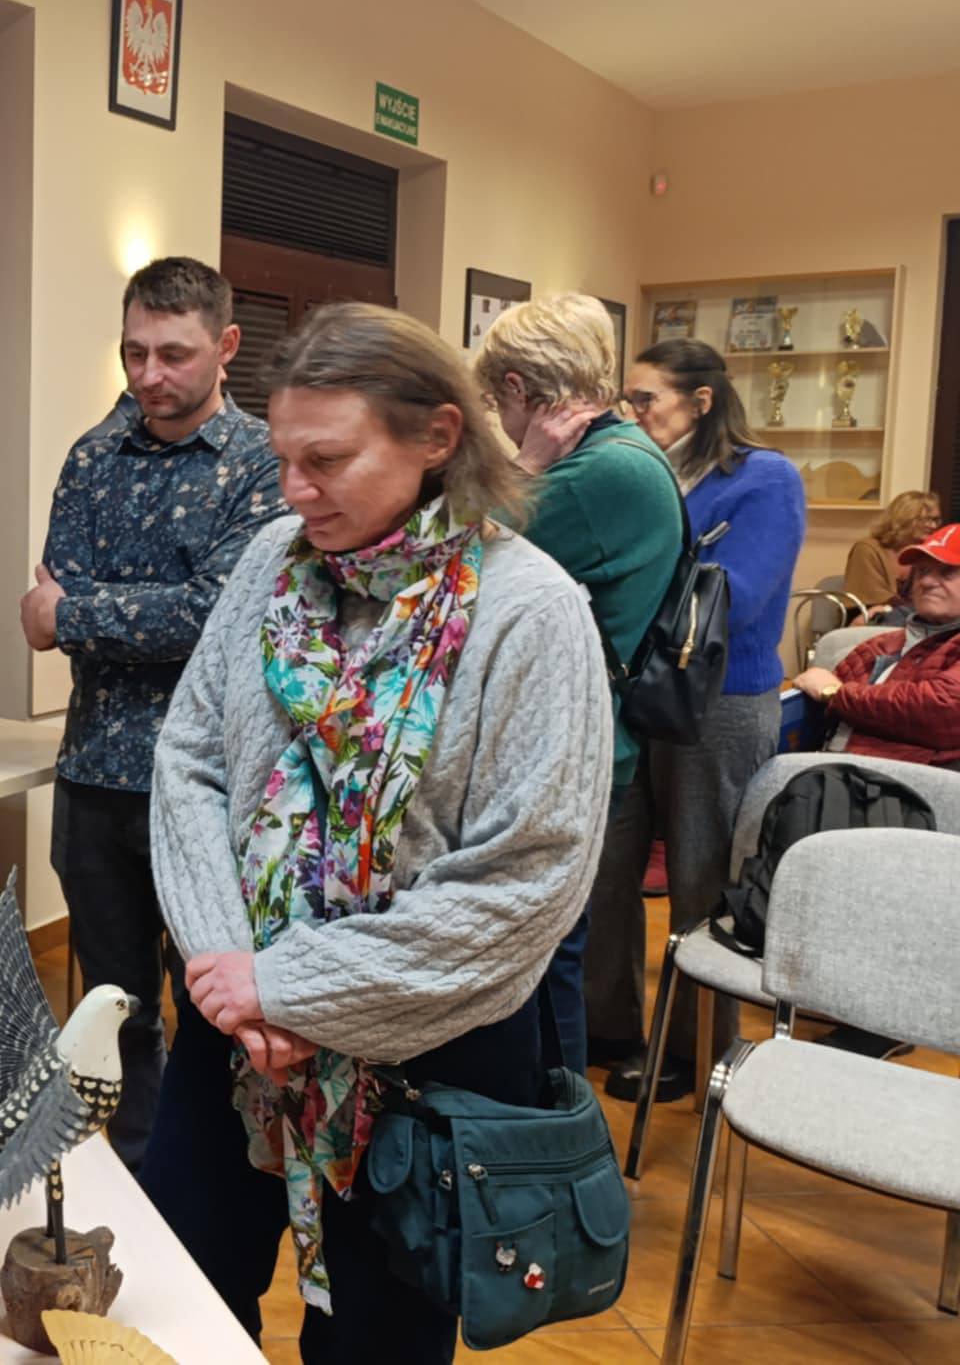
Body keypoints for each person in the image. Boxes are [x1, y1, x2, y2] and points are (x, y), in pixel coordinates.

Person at [140, 303, 611, 1360]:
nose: (293, 490)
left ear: (437, 436)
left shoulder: (532, 611)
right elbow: (190, 761)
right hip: (233, 1029)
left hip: (421, 1063)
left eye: (326, 461)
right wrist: (229, 971)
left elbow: (524, 884)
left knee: (374, 1344)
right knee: (175, 1308)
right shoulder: (270, 563)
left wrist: (291, 987)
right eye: (281, 458)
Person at [22, 255, 283, 1173]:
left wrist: (80, 613)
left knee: (215, 1003)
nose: (148, 375)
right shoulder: (93, 456)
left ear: (226, 346)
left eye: (174, 354)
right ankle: (139, 1172)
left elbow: (218, 613)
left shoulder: (262, 462)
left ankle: (211, 1176)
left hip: (208, 787)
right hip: (95, 773)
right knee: (115, 1004)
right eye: (134, 352)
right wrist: (90, 613)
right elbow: (48, 605)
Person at [589, 339, 805, 1102]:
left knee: (699, 880)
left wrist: (629, 582)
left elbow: (735, 596)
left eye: (646, 398)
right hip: (636, 694)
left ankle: (694, 1048)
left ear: (702, 401)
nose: (633, 411)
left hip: (720, 704)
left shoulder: (764, 477)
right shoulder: (643, 471)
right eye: (629, 398)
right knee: (606, 868)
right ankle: (606, 1024)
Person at [476, 293, 684, 1076]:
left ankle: (549, 1129)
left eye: (497, 401)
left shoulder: (604, 472)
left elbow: (446, 557)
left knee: (543, 955)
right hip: (575, 740)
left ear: (520, 388)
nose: (499, 421)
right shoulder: (620, 452)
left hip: (569, 746)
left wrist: (526, 466)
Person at [791, 522, 960, 768]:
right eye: (923, 571)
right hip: (831, 768)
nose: (927, 582)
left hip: (907, 781)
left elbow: (942, 711)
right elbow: (820, 709)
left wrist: (834, 693)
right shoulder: (879, 645)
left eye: (947, 573)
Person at [843, 489, 941, 617]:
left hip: (914, 620)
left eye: (936, 520)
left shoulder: (927, 553)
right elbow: (870, 600)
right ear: (904, 519)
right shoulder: (867, 549)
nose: (933, 526)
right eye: (926, 520)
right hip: (869, 618)